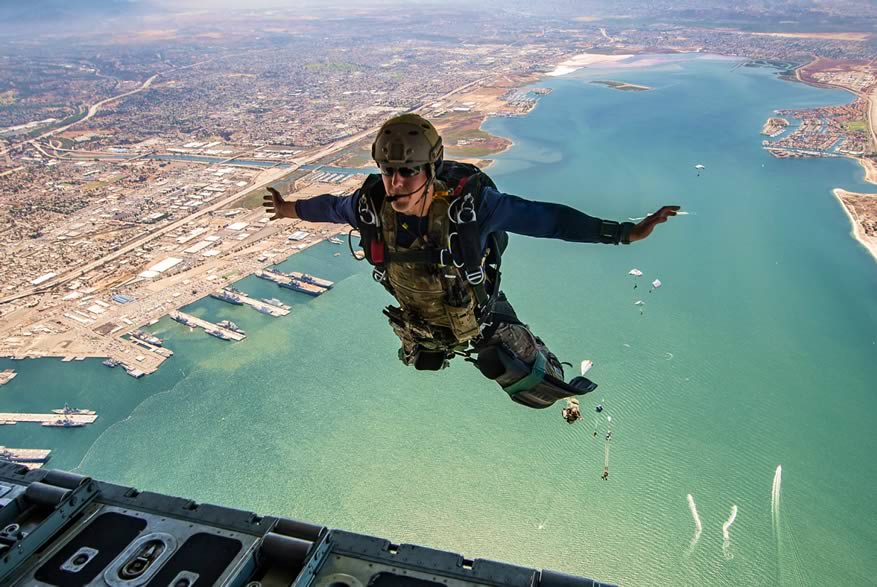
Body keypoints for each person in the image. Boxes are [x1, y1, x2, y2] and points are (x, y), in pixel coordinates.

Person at [263, 113, 678, 409]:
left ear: (431, 168)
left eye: (408, 170)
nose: (395, 181)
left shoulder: (471, 208)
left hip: (481, 316)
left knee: (529, 384)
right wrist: (287, 209)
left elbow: (549, 219)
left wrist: (625, 233)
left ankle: (544, 365)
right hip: (420, 320)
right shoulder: (371, 206)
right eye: (388, 170)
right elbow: (331, 207)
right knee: (426, 361)